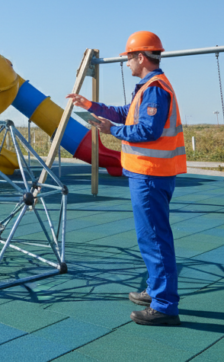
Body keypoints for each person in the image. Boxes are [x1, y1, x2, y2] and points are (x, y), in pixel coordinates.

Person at [67, 31, 186, 326]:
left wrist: (111, 130)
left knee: (155, 239)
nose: (127, 63)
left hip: (150, 174)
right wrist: (90, 106)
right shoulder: (147, 87)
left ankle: (165, 306)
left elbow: (147, 131)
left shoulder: (155, 89)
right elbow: (125, 114)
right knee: (151, 238)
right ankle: (156, 292)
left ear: (141, 57)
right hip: (146, 173)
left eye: (129, 58)